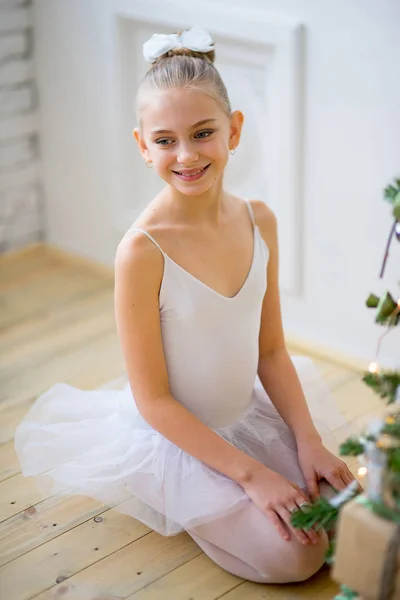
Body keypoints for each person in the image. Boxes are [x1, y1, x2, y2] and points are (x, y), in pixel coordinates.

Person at [15, 26, 356, 584]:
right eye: (166, 140)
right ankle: (190, 502)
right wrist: (252, 477)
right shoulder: (141, 252)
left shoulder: (259, 220)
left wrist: (308, 441)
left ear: (234, 130)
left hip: (242, 415)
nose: (187, 155)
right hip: (173, 437)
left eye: (203, 133)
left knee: (347, 508)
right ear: (142, 145)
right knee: (295, 556)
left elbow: (270, 350)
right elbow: (153, 400)